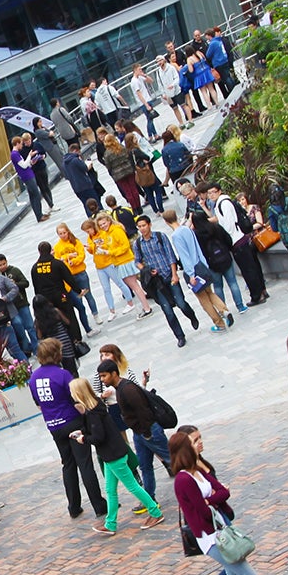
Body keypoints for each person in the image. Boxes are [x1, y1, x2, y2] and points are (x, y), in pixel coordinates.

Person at [172, 427, 269, 575]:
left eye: (199, 439)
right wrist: (213, 499)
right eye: (194, 441)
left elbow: (224, 492)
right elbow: (204, 511)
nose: (199, 443)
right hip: (210, 537)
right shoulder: (184, 480)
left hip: (221, 531)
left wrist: (211, 498)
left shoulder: (198, 469)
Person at [72, 376, 161, 535]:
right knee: (110, 490)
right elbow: (98, 430)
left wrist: (83, 438)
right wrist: (83, 432)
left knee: (132, 486)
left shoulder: (92, 413)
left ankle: (155, 512)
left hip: (113, 455)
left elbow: (98, 437)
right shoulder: (96, 406)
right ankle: (110, 524)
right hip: (111, 454)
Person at [96, 349, 170, 499]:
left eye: (104, 376)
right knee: (144, 466)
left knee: (173, 459)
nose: (102, 380)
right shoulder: (120, 388)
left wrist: (147, 433)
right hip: (140, 433)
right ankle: (149, 498)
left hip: (147, 431)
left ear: (114, 373)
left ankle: (200, 480)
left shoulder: (127, 389)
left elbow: (144, 412)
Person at [130, 217, 196, 345]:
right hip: (156, 281)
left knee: (181, 303)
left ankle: (191, 316)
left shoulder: (160, 237)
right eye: (139, 226)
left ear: (149, 225)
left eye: (144, 225)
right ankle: (180, 336)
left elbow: (171, 255)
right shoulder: (138, 243)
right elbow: (137, 261)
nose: (142, 229)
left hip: (168, 274)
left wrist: (174, 274)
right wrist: (146, 269)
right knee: (167, 310)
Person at [165, 208, 231, 332]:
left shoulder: (176, 236)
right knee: (210, 293)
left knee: (203, 299)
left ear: (166, 222)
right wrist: (204, 264)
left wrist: (190, 274)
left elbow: (184, 256)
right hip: (201, 265)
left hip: (193, 271)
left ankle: (219, 323)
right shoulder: (188, 229)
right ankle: (224, 310)